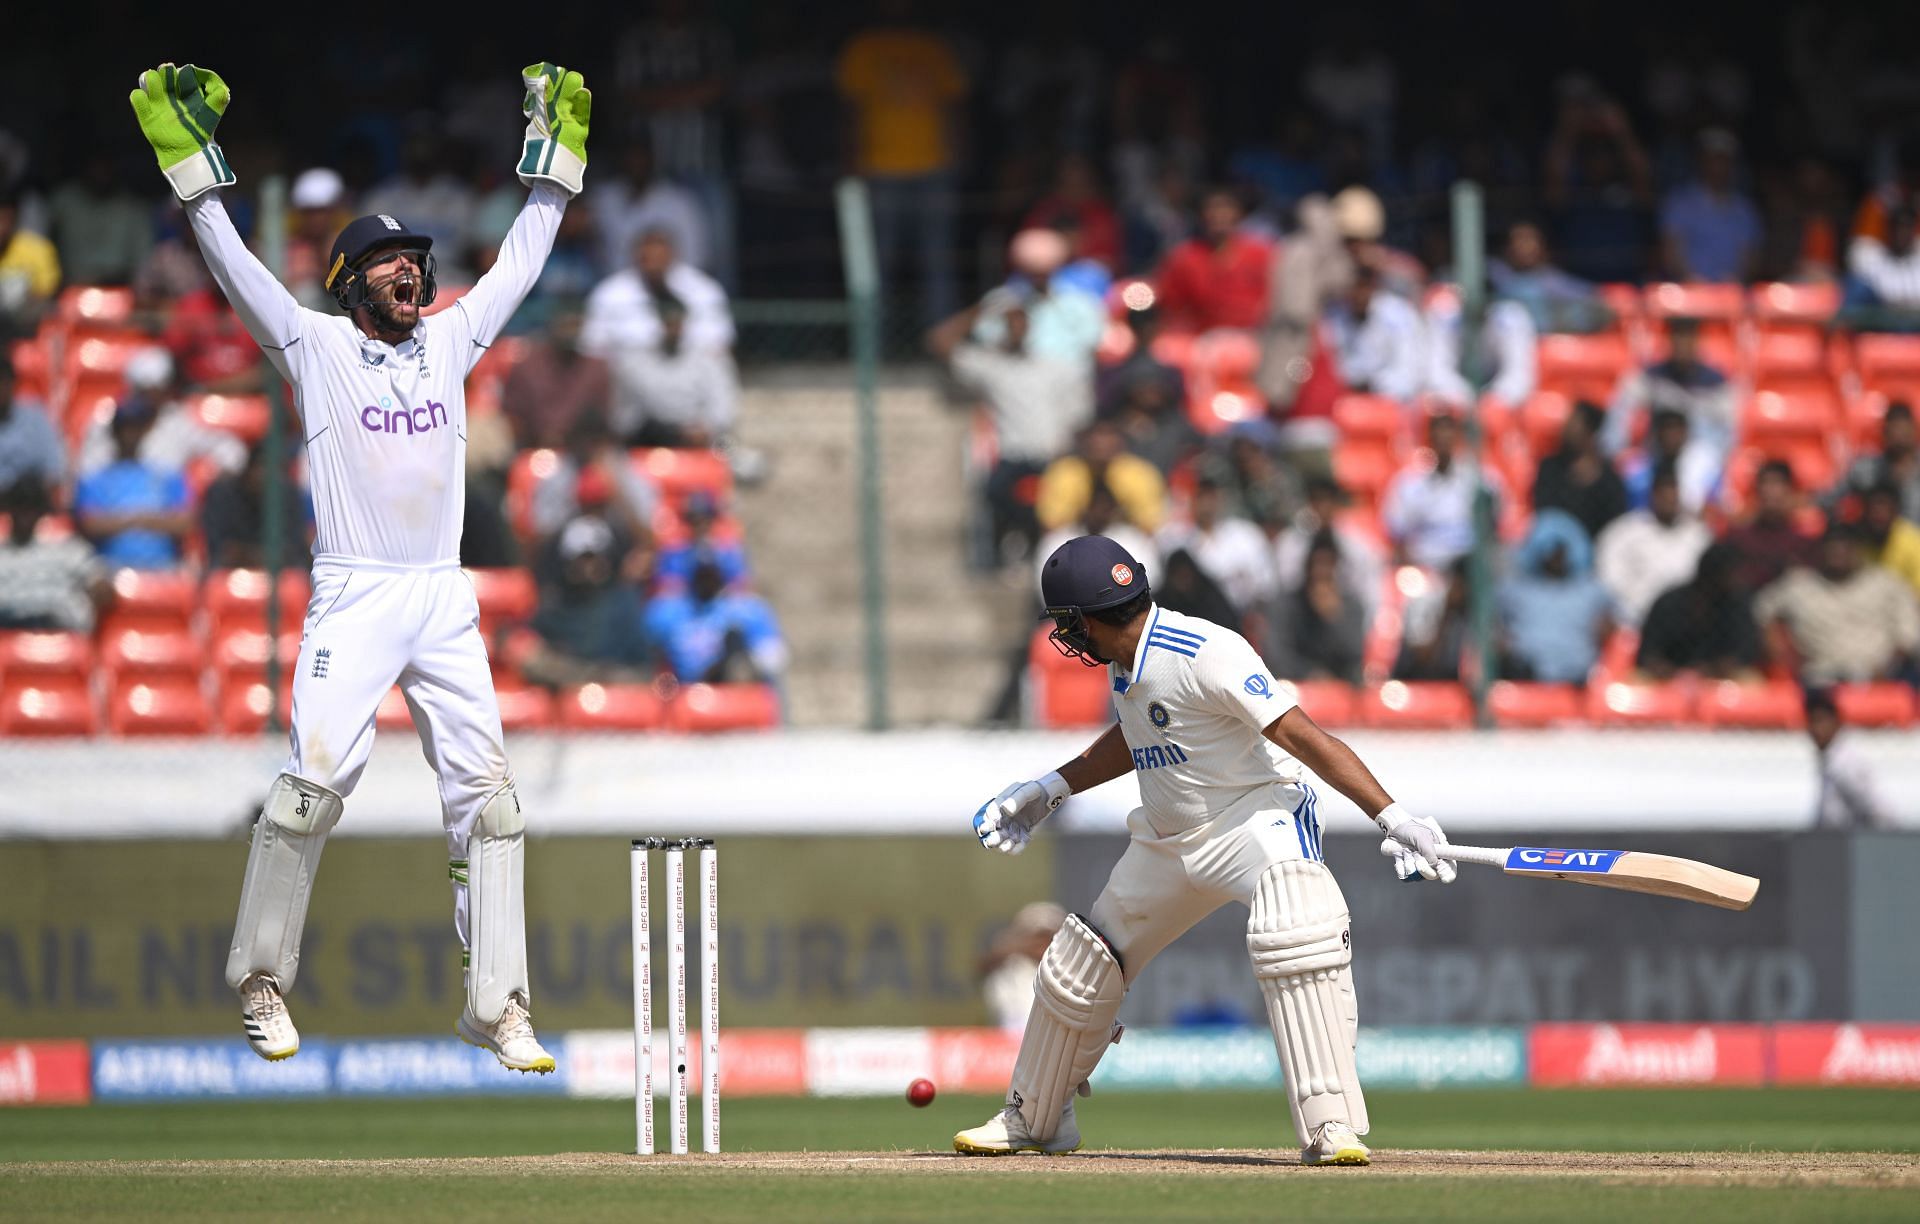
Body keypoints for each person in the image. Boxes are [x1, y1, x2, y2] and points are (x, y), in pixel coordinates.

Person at [128, 59, 595, 1071]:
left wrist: (556, 174)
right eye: (387, 262)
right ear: (349, 283)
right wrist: (190, 168)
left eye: (415, 259)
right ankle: (260, 977)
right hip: (354, 590)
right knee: (313, 785)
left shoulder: (454, 340)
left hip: (442, 592)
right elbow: (234, 263)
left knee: (492, 800)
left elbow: (521, 256)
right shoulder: (311, 345)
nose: (409, 270)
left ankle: (497, 1002)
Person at [957, 534, 1458, 1164]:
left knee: (1295, 926)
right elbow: (1135, 735)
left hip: (1255, 818)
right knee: (1078, 964)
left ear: (1084, 619)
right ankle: (1034, 1118)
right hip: (1167, 839)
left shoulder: (1205, 650)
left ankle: (1331, 1128)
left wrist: (1392, 817)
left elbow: (1305, 737)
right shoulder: (1125, 660)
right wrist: (1050, 786)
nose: (1067, 636)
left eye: (1066, 623)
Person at [929, 294, 1093, 562]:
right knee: (993, 496)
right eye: (1010, 322)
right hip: (1013, 457)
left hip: (1053, 457)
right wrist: (981, 309)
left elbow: (1078, 416)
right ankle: (1002, 557)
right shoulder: (992, 366)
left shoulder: (1054, 367)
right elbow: (939, 342)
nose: (1016, 328)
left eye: (1021, 321)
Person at [836, 1, 968, 327]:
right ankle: (873, 344)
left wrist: (959, 154)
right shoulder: (863, 47)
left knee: (938, 260)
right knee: (877, 261)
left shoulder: (935, 47)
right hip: (879, 167)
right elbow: (850, 111)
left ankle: (941, 339)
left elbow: (955, 107)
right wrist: (851, 161)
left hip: (934, 166)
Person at [1754, 523, 1920, 685]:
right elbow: (1763, 610)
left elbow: (1907, 638)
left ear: (1857, 550)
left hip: (1876, 681)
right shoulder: (1799, 585)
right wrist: (1785, 657)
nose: (1838, 554)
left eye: (1844, 548)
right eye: (1832, 548)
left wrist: (1885, 673)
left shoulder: (1886, 585)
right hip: (1817, 679)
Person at [1604, 317, 1735, 496]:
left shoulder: (1716, 383)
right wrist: (1617, 448)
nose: (1683, 344)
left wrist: (1716, 458)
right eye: (1678, 337)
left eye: (1688, 337)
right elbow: (1621, 409)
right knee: (1629, 473)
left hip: (1698, 455)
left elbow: (1729, 432)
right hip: (1656, 452)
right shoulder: (1652, 377)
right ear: (1670, 341)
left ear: (1696, 341)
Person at [76, 346, 246, 479]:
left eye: (154, 391)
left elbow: (230, 450)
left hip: (166, 513)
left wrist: (210, 477)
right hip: (114, 509)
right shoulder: (106, 421)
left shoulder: (178, 421)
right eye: (142, 392)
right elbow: (87, 470)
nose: (147, 399)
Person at [72, 400, 192, 570]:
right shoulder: (93, 479)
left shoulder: (166, 476)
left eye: (136, 428)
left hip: (163, 569)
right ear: (114, 433)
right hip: (110, 569)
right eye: (124, 428)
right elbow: (90, 525)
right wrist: (148, 520)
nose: (130, 435)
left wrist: (123, 520)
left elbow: (184, 523)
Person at [607, 295, 739, 448]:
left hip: (696, 438)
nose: (673, 329)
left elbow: (723, 406)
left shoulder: (710, 360)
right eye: (668, 323)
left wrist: (708, 428)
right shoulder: (634, 362)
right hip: (648, 439)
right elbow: (624, 412)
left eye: (677, 323)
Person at [1497, 509, 1613, 683]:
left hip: (1578, 681)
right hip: (1525, 678)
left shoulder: (1592, 591)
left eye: (1561, 550)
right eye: (1549, 549)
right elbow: (1488, 623)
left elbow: (1617, 624)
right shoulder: (1515, 590)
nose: (1555, 557)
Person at [582, 228, 735, 359]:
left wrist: (676, 339)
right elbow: (593, 344)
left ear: (673, 254)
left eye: (659, 257)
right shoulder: (610, 292)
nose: (654, 264)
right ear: (635, 256)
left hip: (689, 369)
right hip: (629, 373)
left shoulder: (703, 289)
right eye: (647, 258)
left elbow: (720, 340)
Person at [1381, 411, 1502, 572]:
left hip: (1471, 566)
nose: (1444, 442)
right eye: (1438, 437)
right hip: (1427, 568)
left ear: (1457, 438)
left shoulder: (1482, 479)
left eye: (1449, 436)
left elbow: (1495, 524)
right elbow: (1397, 535)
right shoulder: (1408, 483)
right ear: (1430, 439)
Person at [1595, 462, 1712, 627]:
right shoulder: (1624, 532)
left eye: (1673, 497)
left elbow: (1709, 580)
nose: (1669, 502)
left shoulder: (1697, 535)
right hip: (1635, 621)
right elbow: (1610, 578)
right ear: (1653, 496)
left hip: (1687, 623)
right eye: (1664, 496)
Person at [644, 553, 786, 683]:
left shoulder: (746, 609)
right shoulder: (667, 610)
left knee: (734, 638)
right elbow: (643, 652)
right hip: (680, 690)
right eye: (702, 575)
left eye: (711, 575)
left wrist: (750, 662)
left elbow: (774, 656)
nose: (706, 582)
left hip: (729, 690)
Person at [1152, 187, 1273, 333]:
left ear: (1239, 214)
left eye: (1226, 208)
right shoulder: (1184, 258)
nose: (1219, 215)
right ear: (1202, 216)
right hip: (1200, 342)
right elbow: (1171, 309)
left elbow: (1274, 301)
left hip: (1256, 339)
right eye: (1212, 209)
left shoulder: (1262, 254)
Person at [1636, 543, 1763, 680]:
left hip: (1719, 677)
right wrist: (1672, 673)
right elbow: (1647, 653)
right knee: (1635, 682)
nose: (1738, 580)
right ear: (1714, 574)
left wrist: (1712, 670)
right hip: (1668, 677)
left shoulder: (1738, 603)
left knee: (1751, 681)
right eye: (1733, 573)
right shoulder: (1669, 602)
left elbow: (1746, 653)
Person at [500, 301, 611, 451]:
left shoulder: (595, 369)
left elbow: (603, 418)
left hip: (582, 451)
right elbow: (513, 415)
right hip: (532, 447)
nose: (570, 331)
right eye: (565, 325)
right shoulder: (528, 366)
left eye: (575, 325)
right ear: (553, 325)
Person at [0, 477, 106, 631]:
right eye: (19, 507)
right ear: (10, 510)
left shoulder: (67, 548)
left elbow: (98, 580)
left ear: (41, 511)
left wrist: (99, 588)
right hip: (7, 629)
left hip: (58, 629)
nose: (25, 514)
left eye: (31, 508)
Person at [1659, 129, 1762, 283]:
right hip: (1688, 291)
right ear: (1701, 161)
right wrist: (1693, 282)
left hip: (1732, 293)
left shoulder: (1744, 209)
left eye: (1724, 160)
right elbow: (1671, 253)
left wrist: (1733, 283)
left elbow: (1751, 258)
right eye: (1713, 159)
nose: (1718, 166)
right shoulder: (1680, 202)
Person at [1271, 533, 1367, 683]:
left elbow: (1355, 657)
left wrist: (1334, 618)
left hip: (1339, 692)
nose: (1321, 572)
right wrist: (1310, 674)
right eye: (1317, 563)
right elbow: (1276, 656)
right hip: (1297, 690)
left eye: (1328, 564)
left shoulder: (1352, 606)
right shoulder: (1286, 605)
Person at [200, 440, 312, 569]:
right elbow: (220, 550)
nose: (262, 476)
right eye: (258, 468)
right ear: (248, 469)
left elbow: (295, 549)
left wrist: (253, 556)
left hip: (280, 571)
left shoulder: (288, 494)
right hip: (231, 572)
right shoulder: (223, 493)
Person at [1530, 399, 1627, 543]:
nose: (1565, 428)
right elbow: (1544, 513)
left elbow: (1614, 527)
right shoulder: (1550, 468)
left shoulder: (1610, 480)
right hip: (1555, 548)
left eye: (1573, 423)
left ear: (1590, 431)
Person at [1722, 460, 1820, 595]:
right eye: (1765, 483)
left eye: (1777, 483)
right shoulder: (1737, 537)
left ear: (1791, 490)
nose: (1770, 490)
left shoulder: (1804, 541)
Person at [1803, 689, 1895, 830]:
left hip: (1850, 843)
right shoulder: (1830, 758)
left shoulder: (1847, 762)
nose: (1815, 729)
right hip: (1833, 843)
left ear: (1836, 722)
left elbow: (1877, 811)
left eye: (1820, 721)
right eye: (1811, 722)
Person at [977, 902, 1067, 1033]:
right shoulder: (1008, 975)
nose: (1043, 942)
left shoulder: (1072, 972)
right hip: (1014, 1048)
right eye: (1037, 936)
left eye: (1051, 936)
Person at [0, 352, 64, 501]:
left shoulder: (35, 418)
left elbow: (54, 470)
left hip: (28, 505)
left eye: (3, 381)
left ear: (13, 384)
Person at [0, 189, 59, 339]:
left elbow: (45, 296)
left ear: (14, 219)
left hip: (25, 332)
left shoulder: (37, 249)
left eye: (4, 218)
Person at [1859, 480, 1920, 599]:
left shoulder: (1914, 543)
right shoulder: (1858, 543)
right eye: (1873, 508)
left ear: (1896, 511)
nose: (1878, 514)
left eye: (1884, 508)